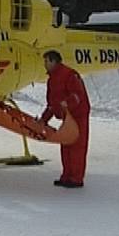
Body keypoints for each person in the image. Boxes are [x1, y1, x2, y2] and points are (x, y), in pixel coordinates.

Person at [38, 50, 91, 188]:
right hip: (67, 116)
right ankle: (67, 175)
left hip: (78, 115)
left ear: (54, 61)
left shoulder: (69, 75)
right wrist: (44, 120)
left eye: (46, 61)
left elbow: (78, 95)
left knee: (77, 145)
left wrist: (67, 103)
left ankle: (76, 178)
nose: (45, 64)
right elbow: (52, 104)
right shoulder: (52, 79)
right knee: (66, 144)